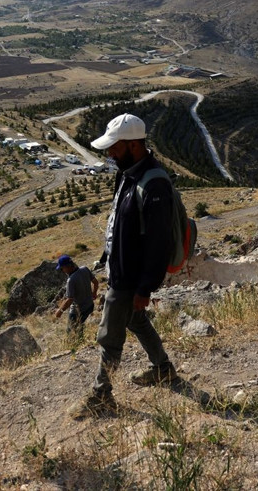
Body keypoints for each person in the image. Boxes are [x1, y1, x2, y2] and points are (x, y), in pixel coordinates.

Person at [71, 113, 178, 418]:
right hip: (120, 268)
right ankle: (163, 368)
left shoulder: (154, 184)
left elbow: (159, 243)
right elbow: (119, 221)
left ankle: (101, 395)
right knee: (135, 320)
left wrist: (145, 288)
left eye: (114, 148)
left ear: (133, 145)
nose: (110, 154)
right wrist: (107, 257)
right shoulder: (128, 173)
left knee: (110, 336)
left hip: (131, 276)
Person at [54, 254, 99, 336]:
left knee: (71, 333)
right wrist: (94, 293)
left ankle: (79, 342)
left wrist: (60, 311)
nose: (62, 271)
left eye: (62, 268)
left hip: (78, 311)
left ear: (68, 266)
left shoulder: (71, 280)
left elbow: (69, 299)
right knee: (80, 326)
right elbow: (95, 282)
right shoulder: (85, 269)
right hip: (90, 306)